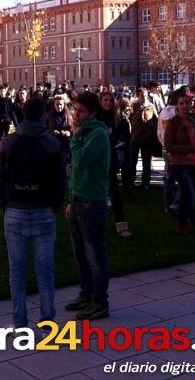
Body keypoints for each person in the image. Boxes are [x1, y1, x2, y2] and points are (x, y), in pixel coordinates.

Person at [0, 98, 65, 330]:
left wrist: (5, 203)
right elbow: (61, 180)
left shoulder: (8, 142)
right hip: (43, 210)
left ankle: (19, 323)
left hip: (15, 210)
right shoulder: (52, 143)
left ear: (23, 114)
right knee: (45, 271)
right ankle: (47, 323)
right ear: (44, 115)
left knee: (17, 272)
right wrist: (54, 204)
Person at [64, 92, 111, 320]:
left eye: (81, 111)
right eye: (75, 109)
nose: (76, 114)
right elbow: (74, 169)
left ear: (91, 113)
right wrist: (71, 199)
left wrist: (75, 136)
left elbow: (81, 159)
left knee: (95, 255)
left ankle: (100, 301)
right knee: (80, 253)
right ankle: (86, 294)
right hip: (78, 199)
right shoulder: (83, 133)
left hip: (93, 202)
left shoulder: (98, 134)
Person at [164, 93, 195, 244]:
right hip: (180, 164)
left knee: (186, 195)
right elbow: (169, 146)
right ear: (176, 106)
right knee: (191, 195)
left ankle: (181, 223)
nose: (185, 105)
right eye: (181, 103)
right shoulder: (172, 123)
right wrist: (192, 148)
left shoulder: (194, 119)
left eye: (187, 103)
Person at [97, 91, 131, 239]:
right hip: (97, 159)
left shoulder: (118, 118)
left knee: (114, 191)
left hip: (111, 158)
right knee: (97, 194)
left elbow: (126, 136)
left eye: (110, 100)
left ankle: (121, 225)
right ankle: (95, 225)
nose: (108, 103)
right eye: (105, 100)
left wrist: (119, 142)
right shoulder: (95, 117)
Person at [129, 87, 158, 190]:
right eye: (142, 96)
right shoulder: (133, 106)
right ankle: (131, 182)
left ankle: (145, 183)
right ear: (138, 97)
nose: (145, 98)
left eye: (146, 96)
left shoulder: (151, 106)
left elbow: (156, 120)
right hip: (135, 139)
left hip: (147, 139)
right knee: (133, 162)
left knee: (146, 163)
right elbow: (128, 119)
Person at [46, 95, 72, 165]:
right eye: (57, 104)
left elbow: (73, 130)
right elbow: (45, 129)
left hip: (66, 145)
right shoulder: (49, 116)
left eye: (60, 104)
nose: (59, 106)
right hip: (53, 145)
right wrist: (52, 132)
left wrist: (69, 133)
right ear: (54, 105)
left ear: (64, 105)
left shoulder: (69, 116)